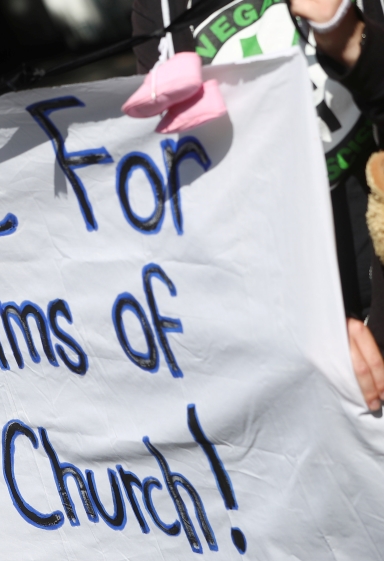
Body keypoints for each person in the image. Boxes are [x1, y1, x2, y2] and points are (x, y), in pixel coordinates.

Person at [132, 0, 384, 412]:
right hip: (296, 354)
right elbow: (201, 210)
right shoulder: (160, 11)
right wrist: (303, 330)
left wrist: (346, 36)